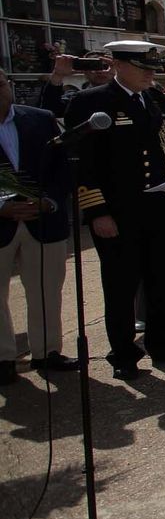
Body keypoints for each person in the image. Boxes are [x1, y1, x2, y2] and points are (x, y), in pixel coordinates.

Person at [65, 40, 165, 381]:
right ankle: (123, 353)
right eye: (143, 69)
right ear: (118, 65)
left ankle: (164, 344)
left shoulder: (156, 100)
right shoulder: (91, 103)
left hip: (158, 204)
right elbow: (83, 165)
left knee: (162, 280)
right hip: (118, 211)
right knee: (121, 285)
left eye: (153, 69)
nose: (150, 75)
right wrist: (97, 212)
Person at [0, 67, 76, 383]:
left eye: (0, 83)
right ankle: (4, 358)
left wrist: (49, 200)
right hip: (1, 222)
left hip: (43, 219)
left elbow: (64, 167)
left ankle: (47, 351)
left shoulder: (40, 119)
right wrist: (2, 206)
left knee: (46, 289)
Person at [40, 53, 112, 117]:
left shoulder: (121, 93)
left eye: (105, 66)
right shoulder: (78, 98)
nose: (99, 71)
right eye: (93, 66)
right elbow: (52, 110)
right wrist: (58, 75)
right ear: (84, 71)